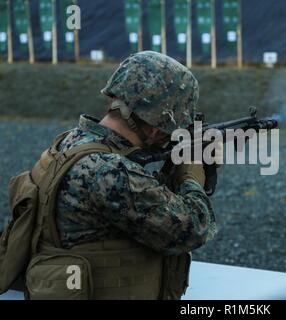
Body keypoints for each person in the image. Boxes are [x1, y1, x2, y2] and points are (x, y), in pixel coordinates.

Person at [18, 51, 218, 300]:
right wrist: (191, 176)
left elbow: (135, 204)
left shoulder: (69, 142)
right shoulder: (111, 171)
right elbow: (194, 228)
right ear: (156, 127)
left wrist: (170, 171)